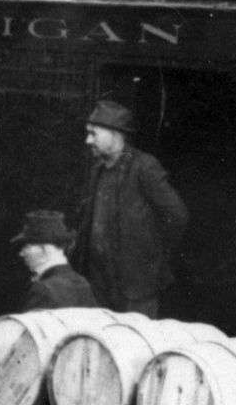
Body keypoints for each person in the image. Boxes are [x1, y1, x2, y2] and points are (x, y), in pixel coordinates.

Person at [73, 98, 189, 317]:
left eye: (94, 133)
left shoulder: (144, 167)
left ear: (115, 134)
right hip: (98, 286)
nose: (88, 140)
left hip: (135, 289)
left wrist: (151, 256)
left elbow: (177, 216)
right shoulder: (98, 170)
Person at [12, 210, 99, 310]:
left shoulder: (43, 290)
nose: (21, 254)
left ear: (44, 249)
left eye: (26, 247)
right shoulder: (83, 283)